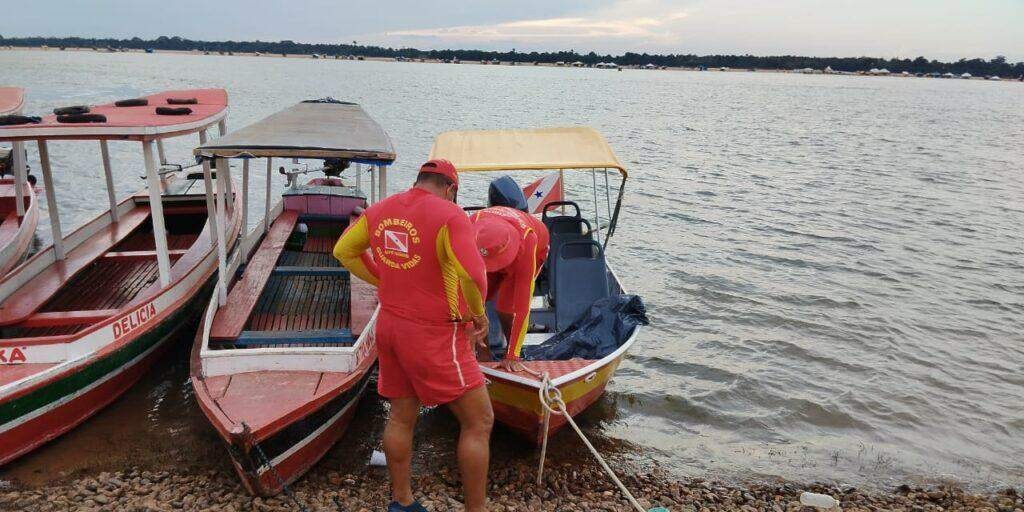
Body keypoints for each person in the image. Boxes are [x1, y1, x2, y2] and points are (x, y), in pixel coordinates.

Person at [333, 159, 493, 512]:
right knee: (479, 421)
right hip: (434, 333)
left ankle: (402, 501)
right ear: (451, 189)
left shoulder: (380, 210)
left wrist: (382, 278)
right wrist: (479, 315)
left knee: (401, 415)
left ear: (420, 181)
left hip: (389, 327)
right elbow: (472, 275)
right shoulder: (451, 216)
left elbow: (343, 251)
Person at [470, 205, 549, 370]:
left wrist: (513, 355)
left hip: (530, 249)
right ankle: (483, 352)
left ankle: (513, 349)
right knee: (475, 300)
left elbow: (522, 309)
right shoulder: (472, 223)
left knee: (506, 308)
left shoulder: (528, 241)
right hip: (485, 251)